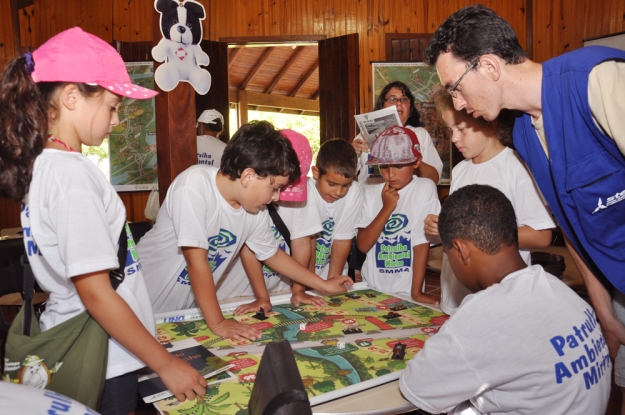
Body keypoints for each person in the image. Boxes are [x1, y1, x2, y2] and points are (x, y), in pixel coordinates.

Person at [425, 4, 625, 404]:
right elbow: (573, 229)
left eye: (455, 88)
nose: (459, 104)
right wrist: (605, 313)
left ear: (489, 67)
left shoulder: (594, 78)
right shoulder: (526, 136)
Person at [0, 27, 206, 413]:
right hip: (104, 356)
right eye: (112, 106)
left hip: (100, 342)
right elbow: (95, 291)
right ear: (72, 96)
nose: (115, 121)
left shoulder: (45, 167)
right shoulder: (72, 176)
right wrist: (166, 365)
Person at [399, 184, 611, 415]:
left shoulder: (483, 315)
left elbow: (415, 386)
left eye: (449, 256)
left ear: (460, 250)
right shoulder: (560, 291)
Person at [136, 121, 353, 341]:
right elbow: (196, 261)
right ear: (248, 176)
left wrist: (323, 284)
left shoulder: (254, 211)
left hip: (180, 312)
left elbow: (274, 256)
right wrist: (219, 323)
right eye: (274, 188)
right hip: (137, 301)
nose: (276, 197)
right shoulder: (194, 184)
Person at [424, 91, 554, 314]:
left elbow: (542, 235)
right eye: (450, 131)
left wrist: (477, 235)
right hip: (457, 299)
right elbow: (457, 235)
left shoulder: (516, 168)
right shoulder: (460, 171)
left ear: (490, 124)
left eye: (462, 129)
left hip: (501, 302)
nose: (454, 138)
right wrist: (440, 229)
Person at [217, 129, 326, 313]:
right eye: (276, 188)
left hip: (280, 292)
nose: (277, 197)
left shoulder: (303, 200)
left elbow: (303, 243)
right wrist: (261, 296)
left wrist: (298, 289)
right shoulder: (250, 200)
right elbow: (249, 250)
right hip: (234, 293)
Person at [356, 126, 441, 305]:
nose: (391, 174)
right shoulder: (371, 193)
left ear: (416, 162)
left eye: (399, 165)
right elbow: (363, 245)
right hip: (372, 288)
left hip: (408, 290)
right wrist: (387, 208)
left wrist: (416, 292)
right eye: (384, 167)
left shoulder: (424, 188)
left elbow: (421, 241)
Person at [291, 139, 363, 302]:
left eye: (346, 185)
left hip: (329, 274)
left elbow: (342, 241)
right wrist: (312, 286)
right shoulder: (304, 191)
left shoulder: (354, 192)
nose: (338, 192)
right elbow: (307, 242)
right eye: (331, 184)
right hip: (302, 277)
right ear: (316, 173)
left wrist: (332, 283)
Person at [352, 81, 443, 186]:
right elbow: (346, 173)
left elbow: (434, 178)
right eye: (392, 99)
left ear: (410, 109)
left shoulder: (420, 134)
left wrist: (412, 158)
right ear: (382, 106)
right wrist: (353, 153)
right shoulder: (364, 134)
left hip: (408, 200)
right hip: (371, 200)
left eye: (404, 99)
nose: (399, 103)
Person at [145, 109, 227, 221]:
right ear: (221, 129)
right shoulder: (227, 149)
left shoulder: (187, 143)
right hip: (213, 203)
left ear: (201, 126)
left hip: (185, 198)